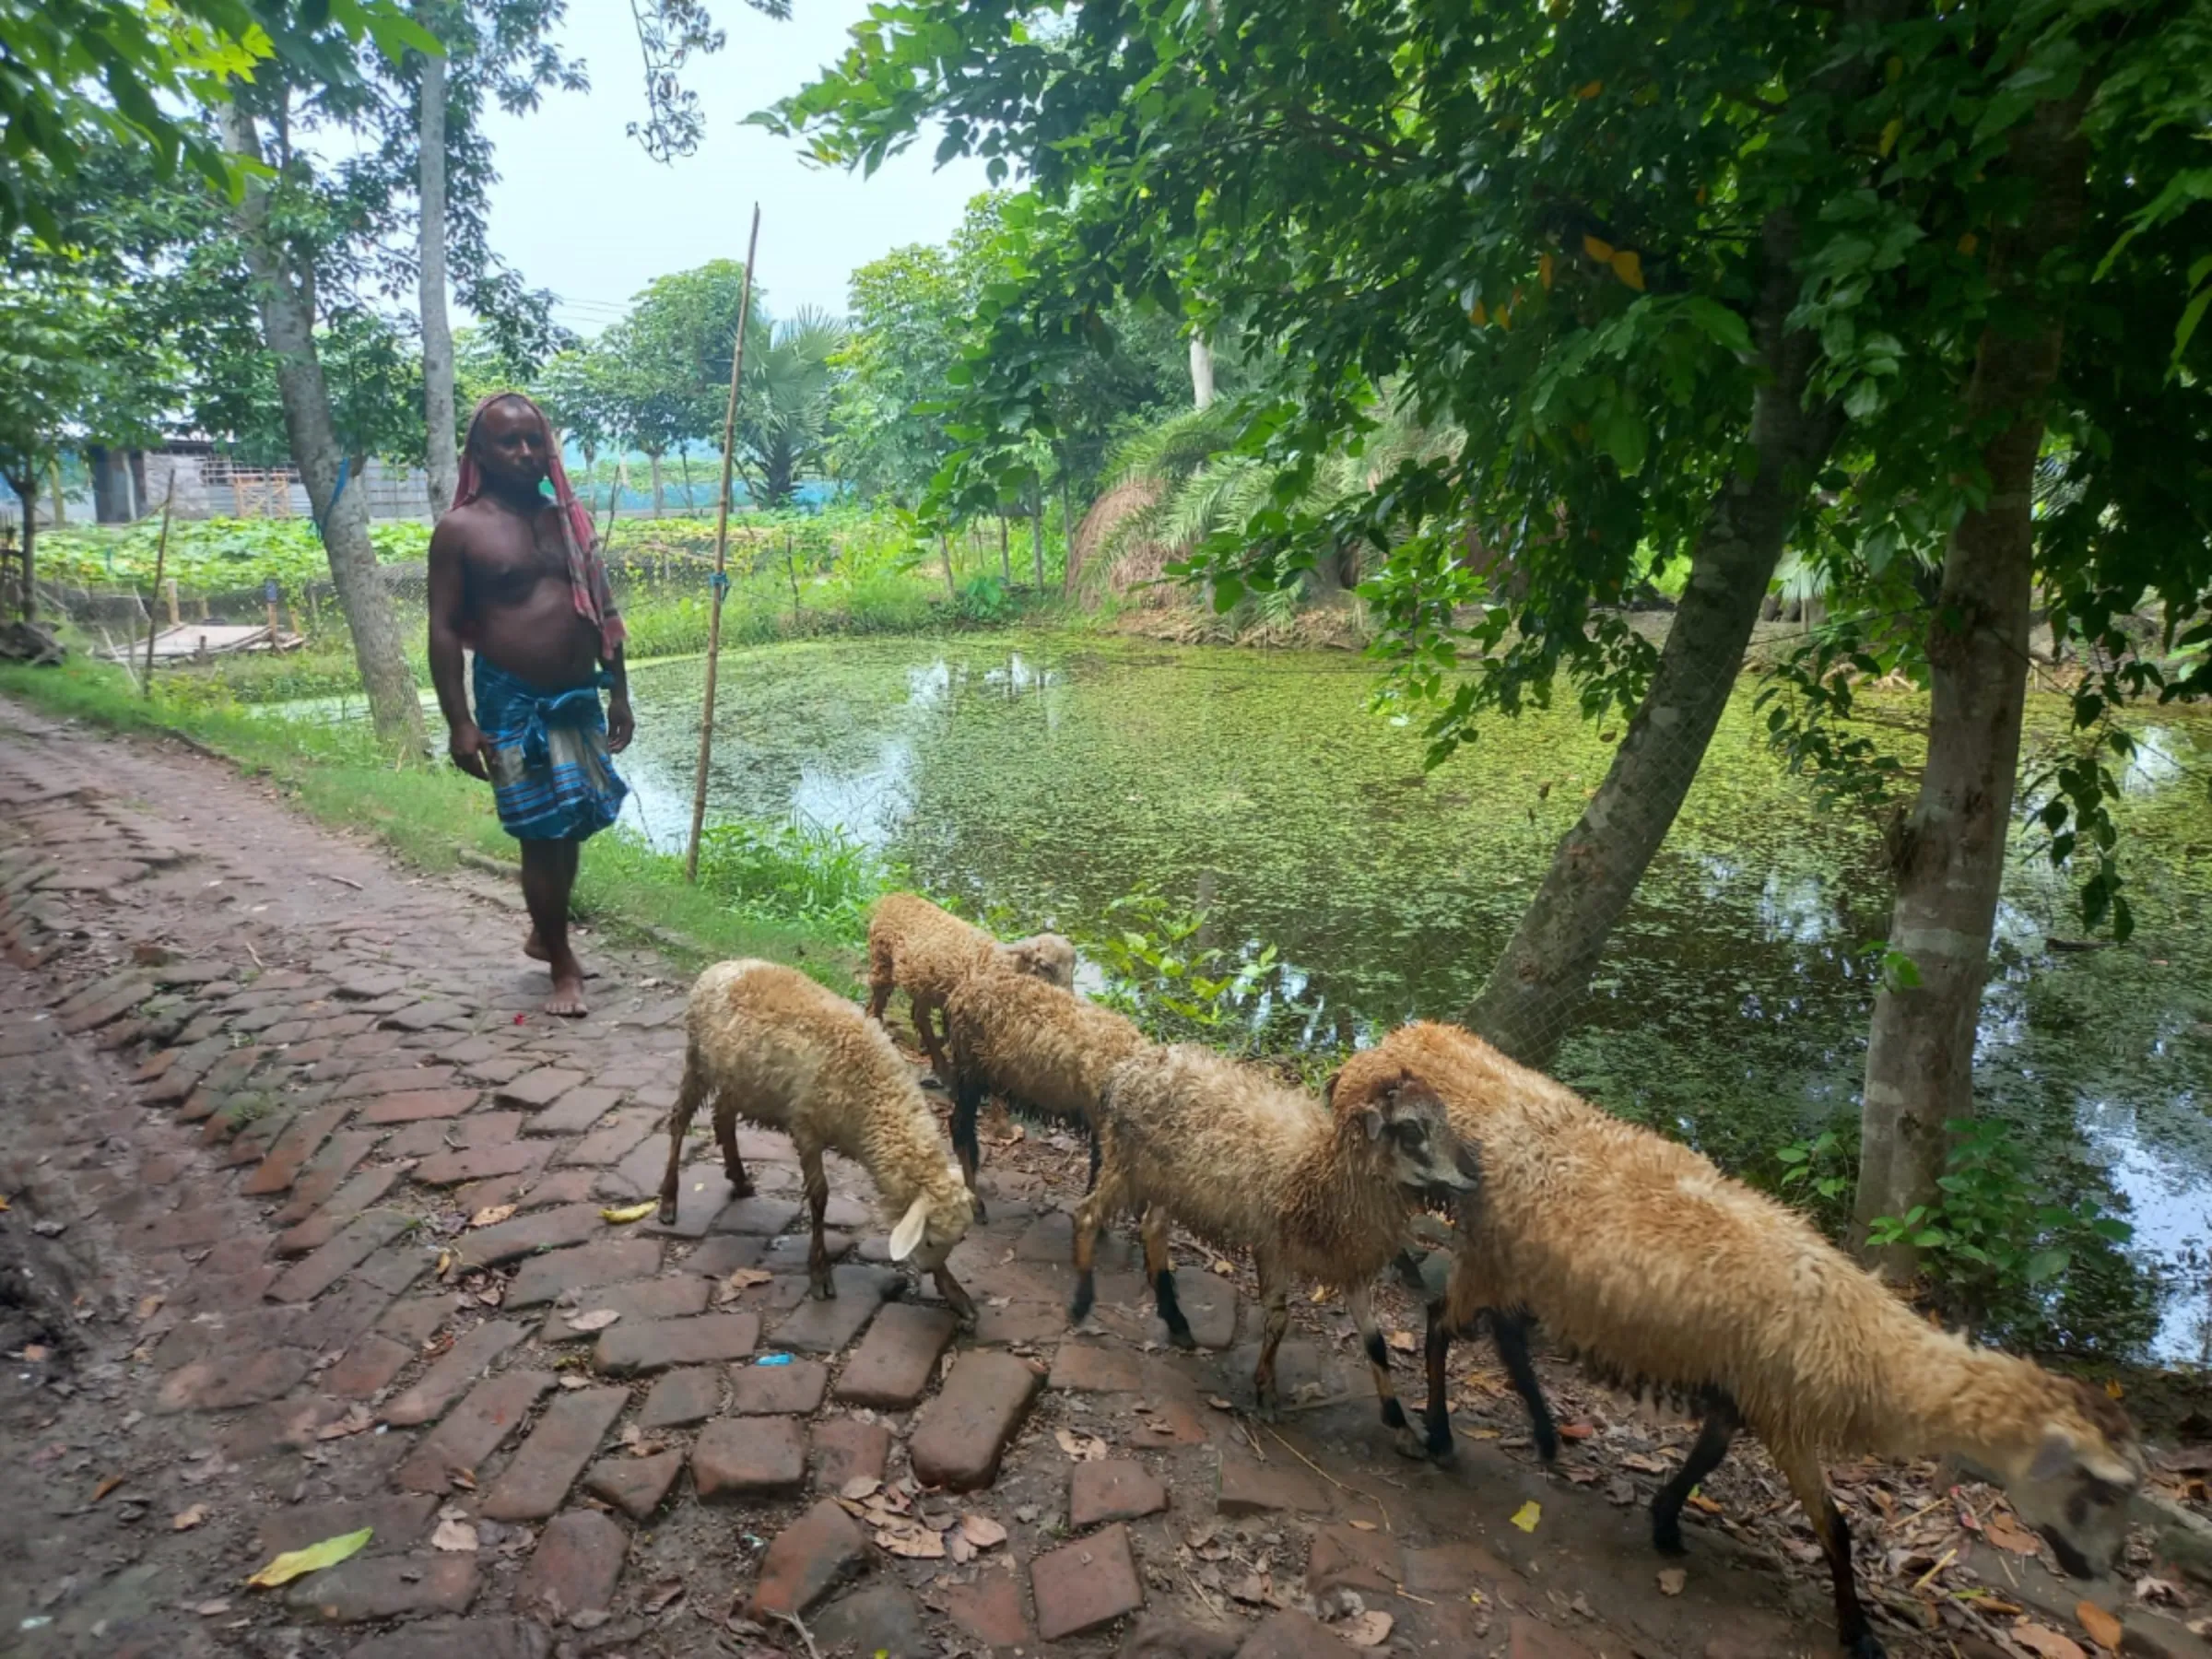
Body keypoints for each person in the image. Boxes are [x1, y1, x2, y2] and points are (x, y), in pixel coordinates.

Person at [428, 393, 633, 1017]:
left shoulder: (565, 519)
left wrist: (618, 686)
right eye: (508, 442)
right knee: (539, 834)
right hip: (511, 701)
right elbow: (442, 629)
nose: (524, 453)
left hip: (576, 699)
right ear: (482, 453)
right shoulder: (461, 530)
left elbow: (600, 608)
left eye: (533, 441)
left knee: (569, 824)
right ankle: (563, 964)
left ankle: (546, 934)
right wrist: (459, 721)